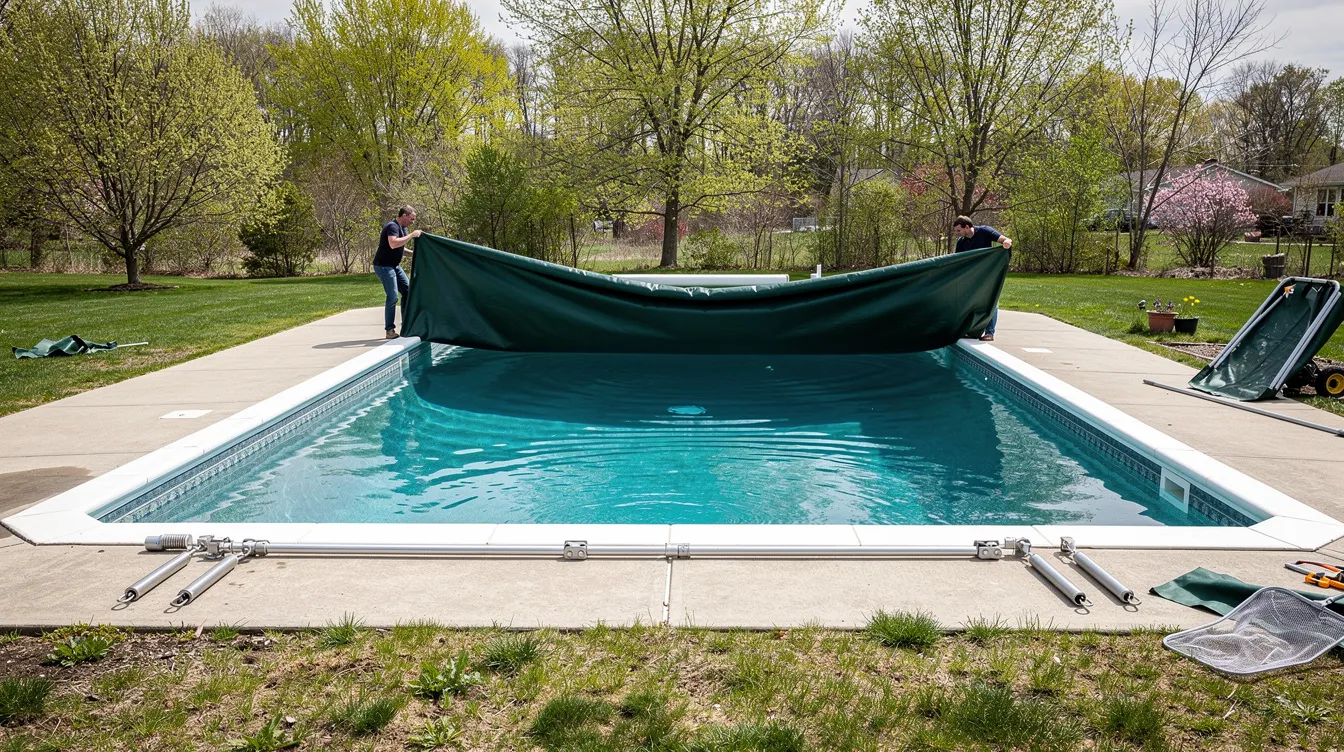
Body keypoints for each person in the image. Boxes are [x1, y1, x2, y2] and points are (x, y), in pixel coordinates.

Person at [952, 215, 1012, 342]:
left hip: (988, 273)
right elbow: (959, 261)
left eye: (958, 230)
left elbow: (1005, 240)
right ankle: (972, 330)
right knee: (971, 302)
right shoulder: (961, 242)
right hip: (972, 276)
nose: (957, 233)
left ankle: (990, 333)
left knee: (991, 301)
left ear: (967, 227)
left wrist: (1006, 243)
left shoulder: (984, 231)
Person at [373, 206, 422, 338]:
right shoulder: (392, 226)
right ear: (404, 216)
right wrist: (412, 235)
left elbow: (400, 249)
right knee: (393, 297)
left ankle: (406, 324)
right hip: (384, 266)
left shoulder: (404, 229)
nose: (413, 222)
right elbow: (393, 244)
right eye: (412, 219)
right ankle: (389, 330)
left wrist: (417, 254)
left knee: (408, 291)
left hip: (394, 266)